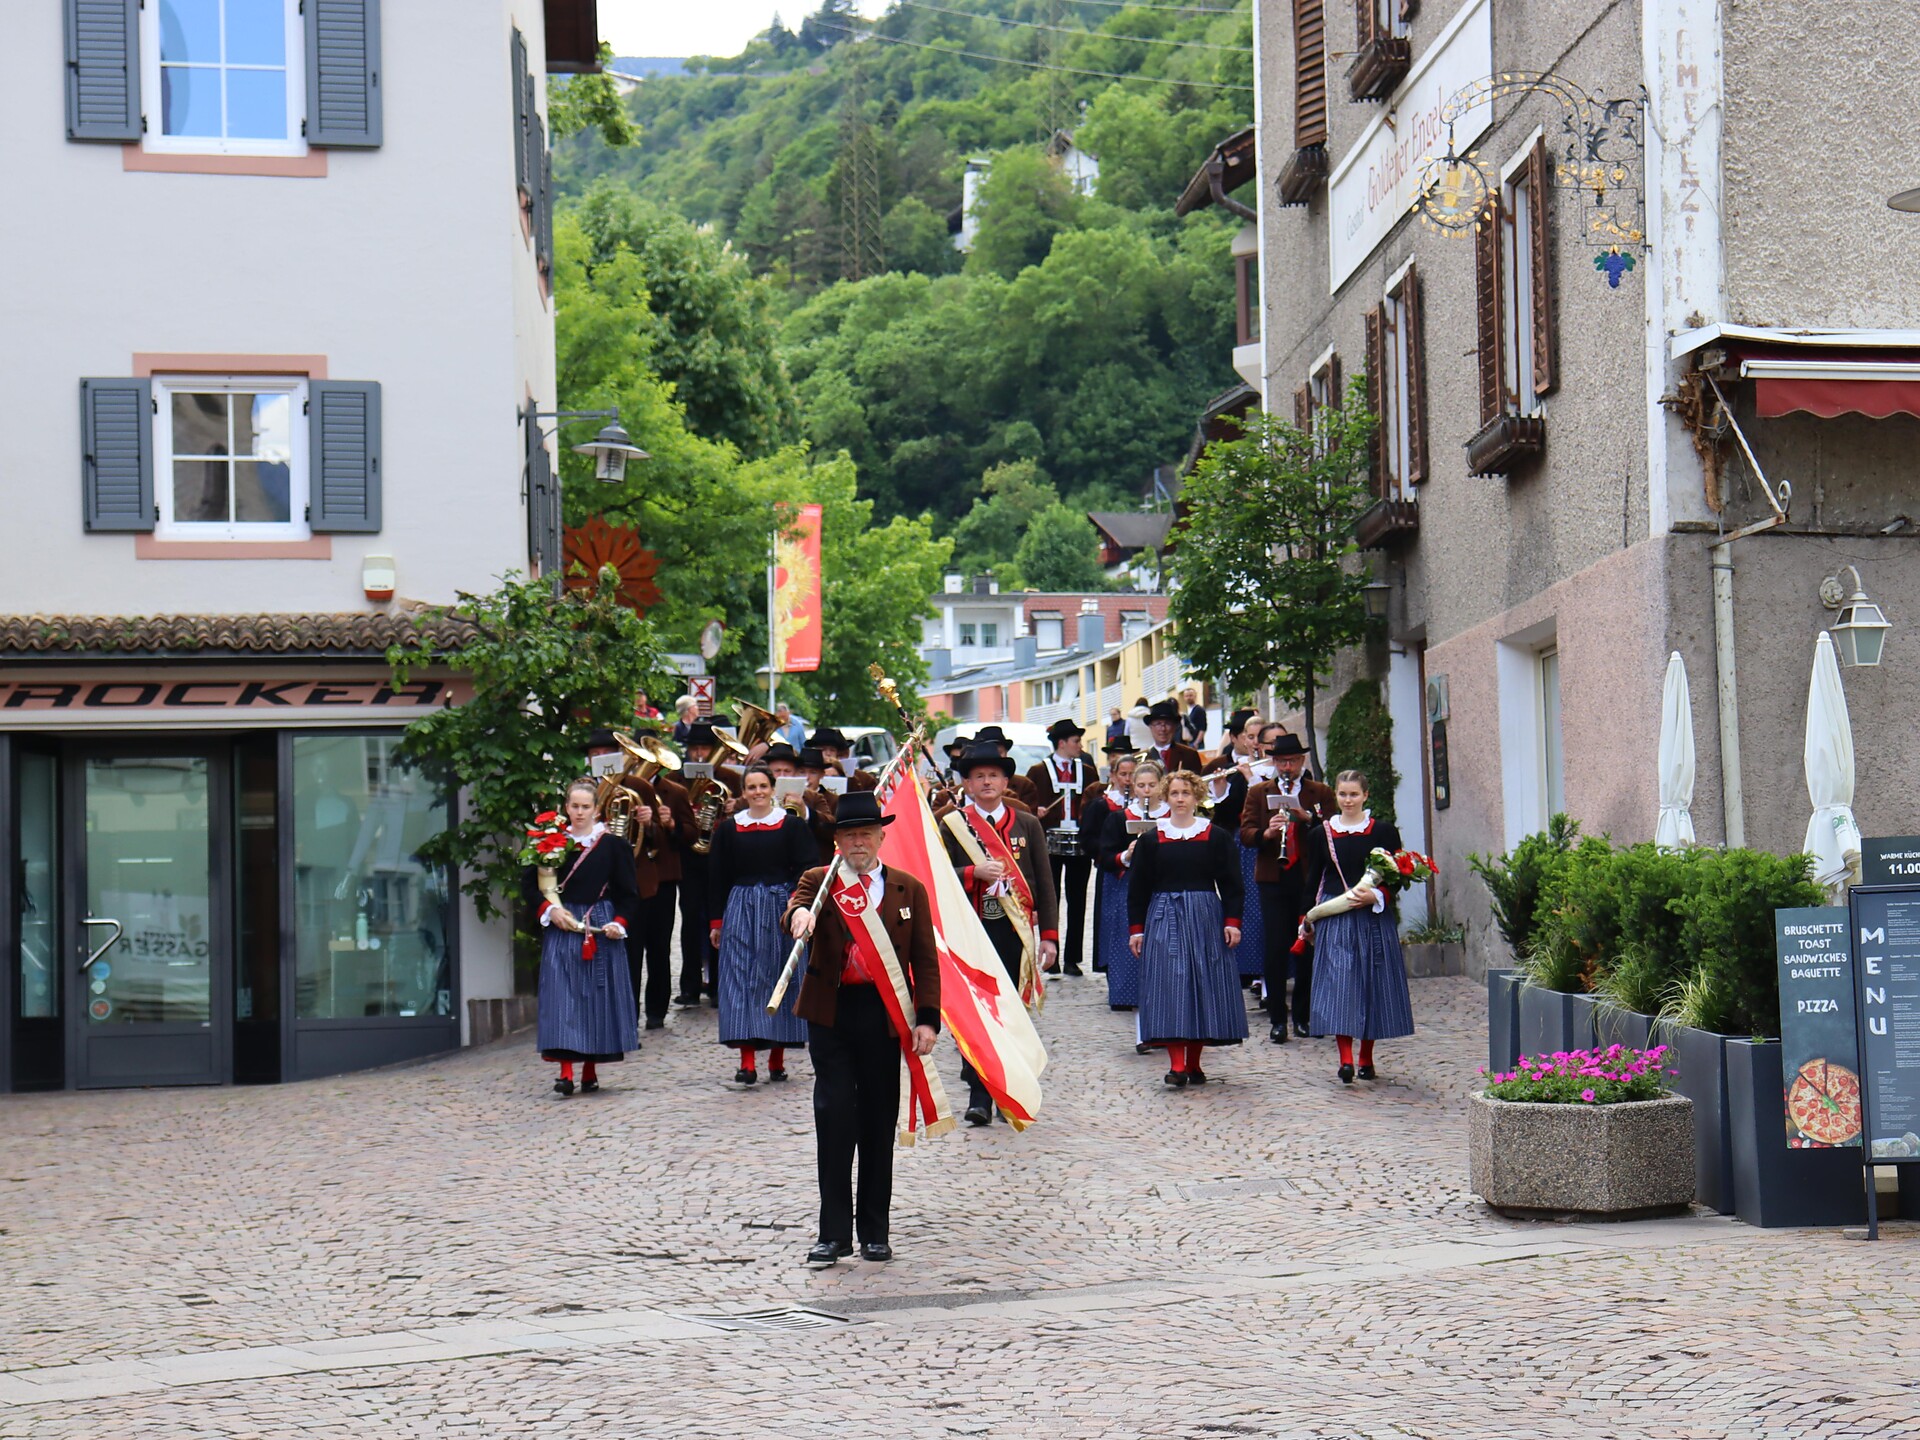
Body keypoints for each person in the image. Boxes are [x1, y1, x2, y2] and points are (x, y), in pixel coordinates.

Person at [786, 792, 941, 1265]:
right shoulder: (821, 879)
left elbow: (925, 960)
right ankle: (832, 1234)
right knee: (834, 1118)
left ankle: (875, 1230)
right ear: (837, 840)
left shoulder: (907, 888)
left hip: (885, 1014)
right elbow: (796, 905)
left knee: (877, 1119)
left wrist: (928, 1018)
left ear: (881, 838)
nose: (858, 842)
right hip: (831, 1011)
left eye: (866, 834)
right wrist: (799, 917)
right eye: (849, 834)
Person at [940, 744, 1059, 1125]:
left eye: (993, 775)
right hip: (971, 930)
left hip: (1015, 933)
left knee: (1011, 1014)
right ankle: (978, 1095)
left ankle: (1010, 1091)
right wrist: (975, 873)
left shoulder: (1027, 824)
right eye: (978, 776)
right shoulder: (953, 824)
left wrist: (1051, 935)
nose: (986, 782)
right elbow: (938, 877)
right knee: (975, 1013)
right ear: (967, 784)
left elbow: (1045, 881)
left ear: (1006, 781)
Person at [1127, 770, 1246, 1087]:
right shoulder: (1152, 840)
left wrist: (1232, 922)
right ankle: (1176, 1065)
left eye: (1186, 793)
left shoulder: (1216, 836)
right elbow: (1137, 888)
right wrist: (1137, 929)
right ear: (1166, 797)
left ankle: (1194, 1063)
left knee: (1201, 985)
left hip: (1206, 915)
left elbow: (1233, 884)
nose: (1180, 799)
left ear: (1197, 797)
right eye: (1175, 793)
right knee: (1170, 986)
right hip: (1164, 915)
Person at [526, 779, 641, 1096]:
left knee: (595, 997)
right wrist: (549, 910)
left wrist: (619, 923)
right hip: (563, 925)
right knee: (562, 998)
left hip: (598, 925)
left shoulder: (613, 844)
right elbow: (530, 887)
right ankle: (565, 1073)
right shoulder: (548, 842)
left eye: (585, 807)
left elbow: (630, 894)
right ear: (566, 808)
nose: (579, 812)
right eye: (574, 806)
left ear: (596, 809)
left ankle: (589, 1070)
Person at [1303, 770, 1415, 1083]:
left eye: (1354, 794)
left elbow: (1398, 876)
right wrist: (1306, 918)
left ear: (1365, 795)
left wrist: (1378, 895)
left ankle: (1366, 1057)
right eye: (1342, 794)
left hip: (1372, 917)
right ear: (1335, 796)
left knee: (1372, 983)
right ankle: (1345, 1059)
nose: (1348, 800)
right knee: (1339, 985)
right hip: (1335, 915)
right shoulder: (1320, 834)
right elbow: (1314, 878)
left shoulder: (1383, 831)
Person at [709, 765, 817, 1086]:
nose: (757, 792)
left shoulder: (792, 825)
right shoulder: (729, 829)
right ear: (743, 792)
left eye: (762, 786)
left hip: (779, 907)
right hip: (741, 906)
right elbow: (716, 877)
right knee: (740, 979)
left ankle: (776, 1058)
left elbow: (807, 866)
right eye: (751, 787)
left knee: (778, 974)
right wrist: (716, 921)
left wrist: (797, 901)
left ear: (772, 788)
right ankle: (746, 1061)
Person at [1241, 734, 1337, 1043]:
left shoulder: (1319, 792)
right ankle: (1277, 1019)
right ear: (1273, 762)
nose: (1287, 766)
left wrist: (1310, 820)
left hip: (1308, 877)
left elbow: (1335, 830)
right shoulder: (1259, 792)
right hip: (1274, 876)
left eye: (1293, 761)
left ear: (1302, 761)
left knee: (1307, 945)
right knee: (1276, 947)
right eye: (1282, 761)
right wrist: (1266, 833)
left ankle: (1303, 1015)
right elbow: (1245, 833)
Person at [1026, 718, 1104, 978]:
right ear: (1062, 743)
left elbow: (1095, 801)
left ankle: (1073, 958)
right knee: (1052, 899)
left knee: (1078, 899)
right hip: (1048, 842)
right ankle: (1053, 955)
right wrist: (1035, 810)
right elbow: (1025, 803)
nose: (1079, 746)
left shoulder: (1088, 771)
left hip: (1078, 841)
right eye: (1076, 741)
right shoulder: (1038, 772)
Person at [674, 721, 743, 1008]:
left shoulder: (728, 777)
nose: (700, 755)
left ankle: (718, 985)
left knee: (719, 918)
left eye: (705, 749)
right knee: (690, 920)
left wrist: (734, 806)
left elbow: (744, 809)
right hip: (689, 857)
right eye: (695, 749)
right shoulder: (676, 779)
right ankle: (689, 985)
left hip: (720, 855)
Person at [1202, 711, 1268, 991]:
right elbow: (1223, 813)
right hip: (1233, 843)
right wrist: (1220, 790)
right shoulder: (1222, 765)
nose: (1254, 743)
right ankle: (1242, 967)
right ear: (1235, 738)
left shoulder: (1268, 769)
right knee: (1238, 901)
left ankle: (1262, 972)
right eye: (1249, 737)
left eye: (1259, 737)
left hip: (1262, 843)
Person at [1097, 757, 1163, 1015]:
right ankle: (1126, 992)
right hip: (1127, 885)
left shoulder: (1170, 816)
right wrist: (1125, 855)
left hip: (1162, 886)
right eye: (1142, 785)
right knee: (1130, 937)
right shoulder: (1118, 818)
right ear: (1134, 787)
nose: (1147, 791)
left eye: (1152, 785)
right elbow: (1105, 856)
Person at [972, 725, 1040, 808]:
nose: (995, 757)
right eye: (979, 776)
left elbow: (1028, 817)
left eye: (999, 752)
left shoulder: (1024, 785)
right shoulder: (969, 786)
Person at [1143, 700, 1203, 776]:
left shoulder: (1190, 755)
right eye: (1158, 724)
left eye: (1167, 724)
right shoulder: (1143, 759)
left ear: (1175, 726)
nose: (1163, 729)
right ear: (1151, 727)